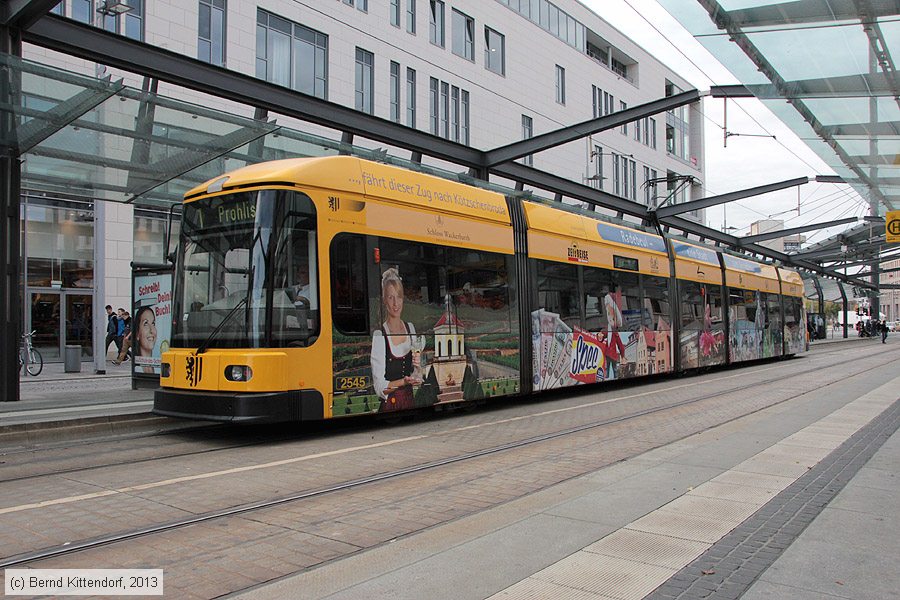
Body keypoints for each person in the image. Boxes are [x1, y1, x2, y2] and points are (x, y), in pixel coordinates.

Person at [370, 268, 420, 412]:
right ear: (385, 300)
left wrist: (418, 371)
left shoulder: (410, 328)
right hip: (391, 406)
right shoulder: (380, 335)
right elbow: (379, 388)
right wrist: (403, 382)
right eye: (391, 297)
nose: (395, 303)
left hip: (410, 403)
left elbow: (417, 372)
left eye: (398, 297)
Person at [132, 306, 157, 374]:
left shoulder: (159, 369)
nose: (151, 330)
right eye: (146, 323)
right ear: (137, 334)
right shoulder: (137, 369)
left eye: (153, 323)